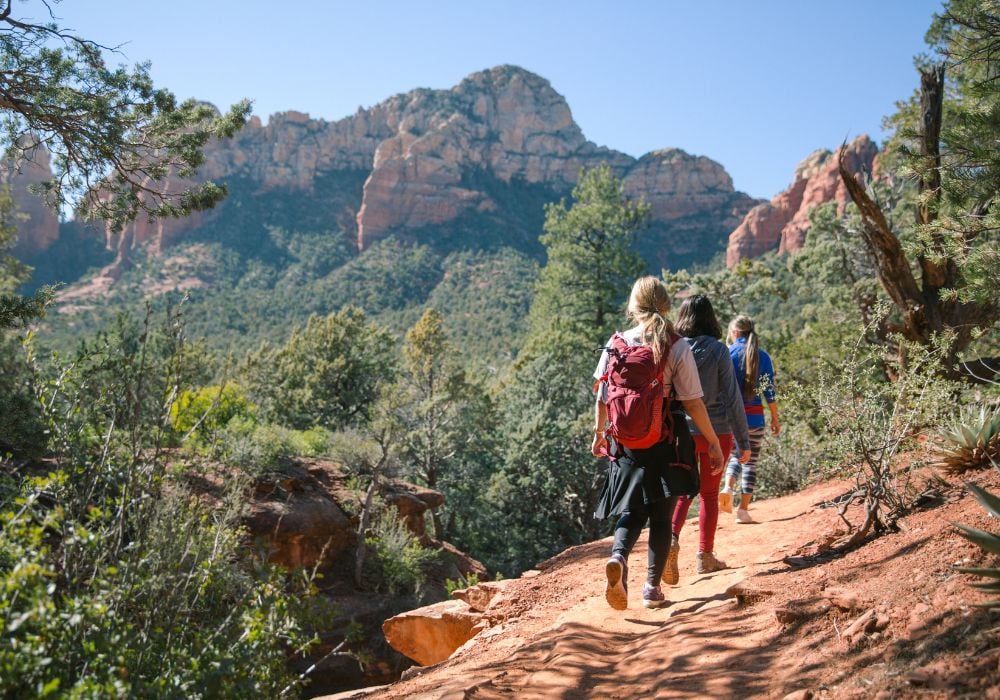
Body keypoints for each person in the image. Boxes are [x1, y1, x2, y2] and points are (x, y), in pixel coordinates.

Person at [592, 276, 725, 610]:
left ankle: (619, 560)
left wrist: (599, 436)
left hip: (625, 444)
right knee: (661, 516)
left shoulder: (617, 342)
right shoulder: (676, 345)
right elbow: (693, 401)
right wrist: (712, 441)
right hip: (666, 438)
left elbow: (602, 396)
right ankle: (651, 588)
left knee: (632, 510)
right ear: (666, 305)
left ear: (633, 307)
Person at [669, 295, 752, 576]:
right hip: (718, 432)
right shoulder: (718, 350)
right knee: (708, 494)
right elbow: (732, 397)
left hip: (684, 433)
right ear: (711, 318)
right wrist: (744, 440)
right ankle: (705, 556)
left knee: (683, 493)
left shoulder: (675, 349)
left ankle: (670, 542)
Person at [720, 314, 781, 524]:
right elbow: (769, 392)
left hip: (731, 418)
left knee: (736, 456)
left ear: (735, 332)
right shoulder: (762, 356)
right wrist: (775, 417)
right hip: (755, 417)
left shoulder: (727, 353)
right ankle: (743, 511)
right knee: (751, 462)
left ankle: (728, 486)